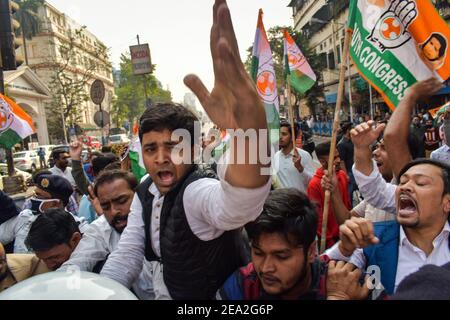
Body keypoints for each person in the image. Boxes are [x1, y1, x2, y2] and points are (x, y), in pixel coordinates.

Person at [100, 0, 271, 300]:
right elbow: (127, 253)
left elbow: (239, 204)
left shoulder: (196, 191)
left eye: (174, 146)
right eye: (151, 148)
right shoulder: (145, 191)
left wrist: (250, 129)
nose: (161, 157)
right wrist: (97, 293)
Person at [327, 159, 450, 295]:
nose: (405, 187)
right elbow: (319, 275)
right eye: (402, 182)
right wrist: (344, 250)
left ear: (447, 202)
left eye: (421, 183)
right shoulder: (370, 239)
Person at [217, 189, 369, 300]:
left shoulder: (348, 282)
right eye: (258, 253)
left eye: (281, 256)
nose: (265, 268)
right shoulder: (242, 286)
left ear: (310, 252)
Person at [59, 170, 154, 299]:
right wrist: (59, 285)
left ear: (138, 196)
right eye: (105, 206)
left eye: (121, 201)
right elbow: (77, 263)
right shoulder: (101, 228)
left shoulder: (160, 217)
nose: (114, 211)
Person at [0, 174, 87, 253]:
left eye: (39, 196)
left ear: (56, 203)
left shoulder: (77, 226)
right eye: (35, 194)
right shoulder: (25, 217)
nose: (33, 199)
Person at [308, 142, 350, 249]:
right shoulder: (314, 184)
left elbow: (348, 204)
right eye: (334, 158)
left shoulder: (342, 175)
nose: (338, 160)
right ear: (322, 162)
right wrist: (328, 241)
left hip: (346, 231)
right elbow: (319, 219)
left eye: (338, 156)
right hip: (330, 241)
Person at [274, 120, 315, 194]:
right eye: (278, 134)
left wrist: (300, 168)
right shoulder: (275, 156)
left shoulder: (304, 155)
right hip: (282, 203)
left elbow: (313, 182)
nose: (280, 137)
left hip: (300, 203)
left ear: (292, 137)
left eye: (284, 134)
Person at [337, 122, 357, 204]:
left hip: (356, 170)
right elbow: (341, 161)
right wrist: (346, 175)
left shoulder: (352, 141)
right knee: (349, 194)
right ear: (348, 131)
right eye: (352, 128)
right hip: (349, 172)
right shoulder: (342, 144)